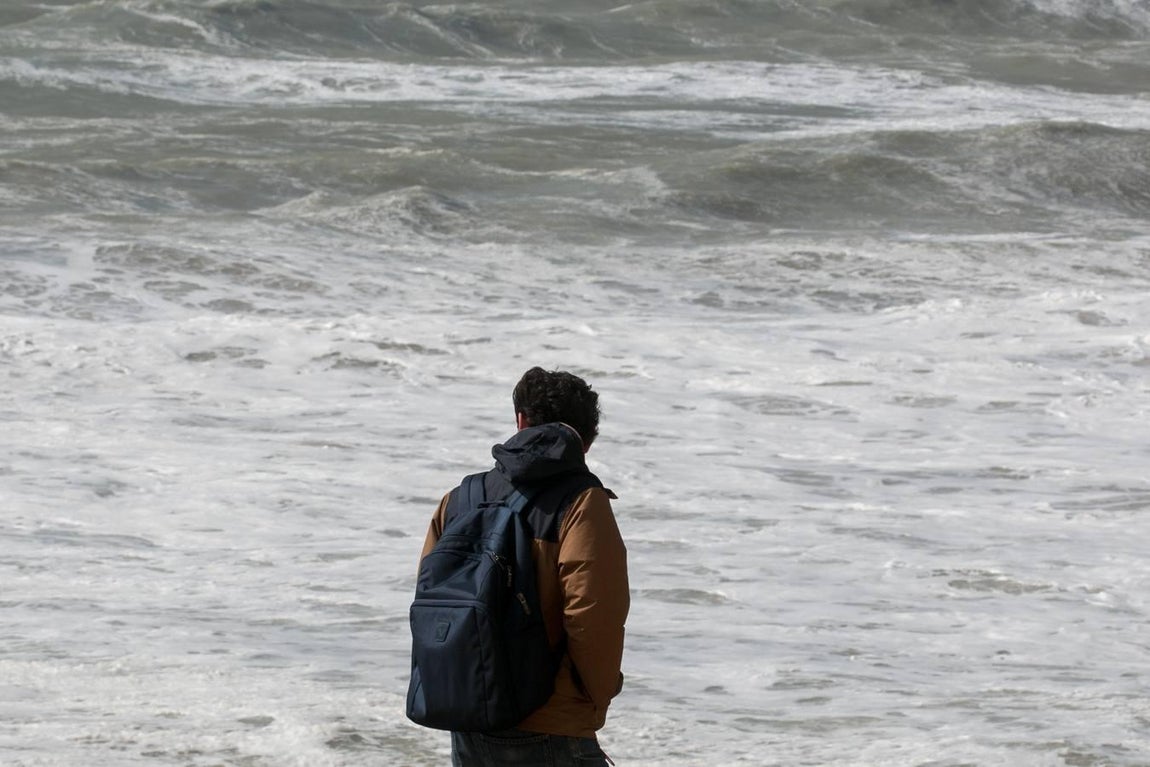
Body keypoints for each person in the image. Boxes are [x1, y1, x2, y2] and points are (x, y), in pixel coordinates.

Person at [418, 367, 630, 767]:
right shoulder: (582, 503)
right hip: (553, 722)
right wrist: (593, 701)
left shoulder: (461, 498)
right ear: (586, 440)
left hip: (469, 714)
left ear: (520, 421)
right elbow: (593, 617)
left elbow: (430, 598)